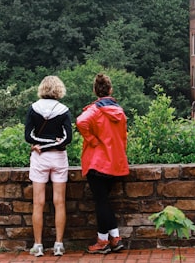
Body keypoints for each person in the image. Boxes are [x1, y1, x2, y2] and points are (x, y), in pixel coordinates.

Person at [76, 72, 129, 254]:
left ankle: (103, 241)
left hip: (97, 162)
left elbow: (80, 121)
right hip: (114, 161)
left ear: (95, 90)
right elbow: (123, 137)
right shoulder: (119, 111)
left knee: (101, 202)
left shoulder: (94, 110)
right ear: (110, 89)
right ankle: (114, 238)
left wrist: (91, 140)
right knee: (104, 201)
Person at [25, 75, 73, 257]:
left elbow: (28, 136)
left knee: (38, 203)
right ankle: (59, 244)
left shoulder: (33, 109)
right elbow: (68, 138)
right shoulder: (64, 110)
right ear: (59, 89)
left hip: (39, 158)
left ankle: (38, 245)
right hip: (59, 158)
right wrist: (55, 143)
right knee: (59, 202)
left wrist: (41, 146)